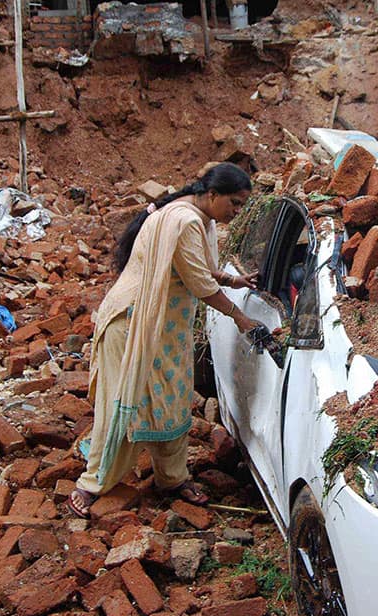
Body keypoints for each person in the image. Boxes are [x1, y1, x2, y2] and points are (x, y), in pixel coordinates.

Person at [68, 162, 259, 517]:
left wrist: (234, 282)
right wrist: (241, 318)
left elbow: (197, 268)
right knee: (124, 401)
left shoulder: (198, 218)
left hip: (163, 327)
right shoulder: (184, 220)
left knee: (171, 396)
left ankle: (172, 477)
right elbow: (201, 286)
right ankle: (93, 482)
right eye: (234, 203)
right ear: (212, 195)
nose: (236, 212)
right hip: (132, 324)